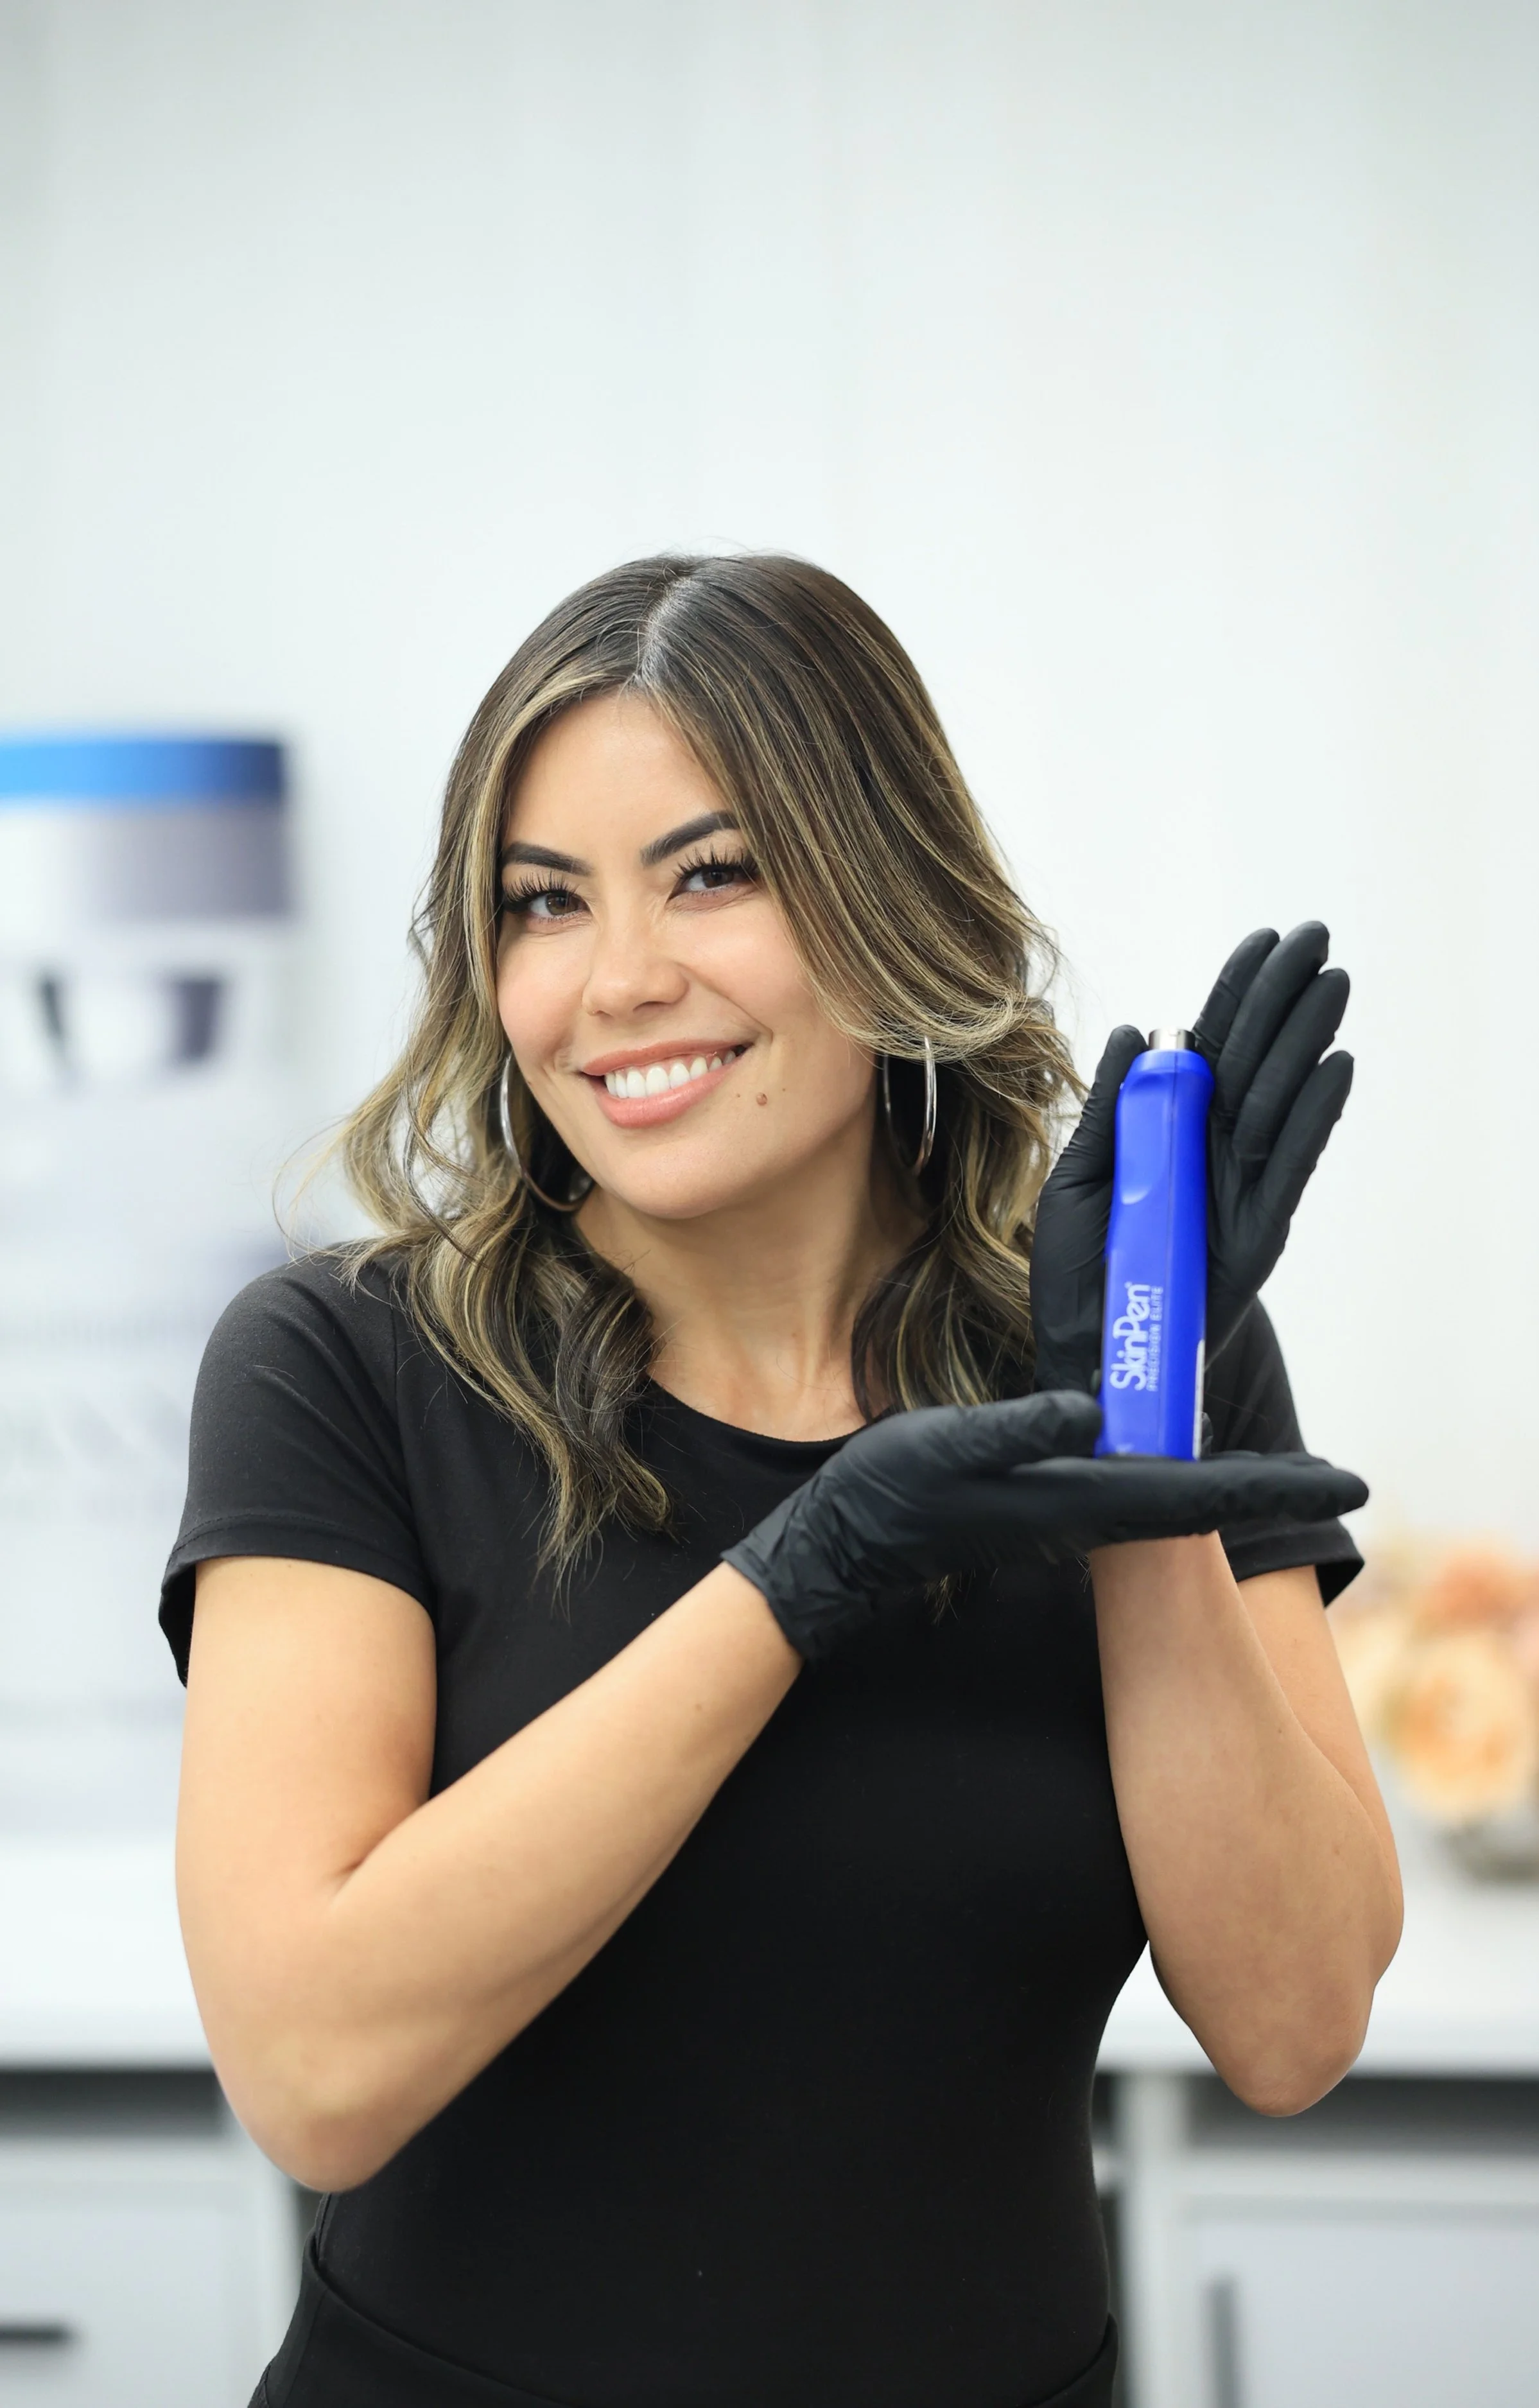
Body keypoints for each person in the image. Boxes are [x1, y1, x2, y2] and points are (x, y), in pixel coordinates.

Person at [162, 555, 1401, 2408]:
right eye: (542, 904)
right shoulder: (349, 1366)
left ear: (882, 886)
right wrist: (796, 1578)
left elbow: (1292, 2026)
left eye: (712, 872)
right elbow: (313, 2068)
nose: (619, 981)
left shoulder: (1138, 1352)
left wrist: (1133, 1449)